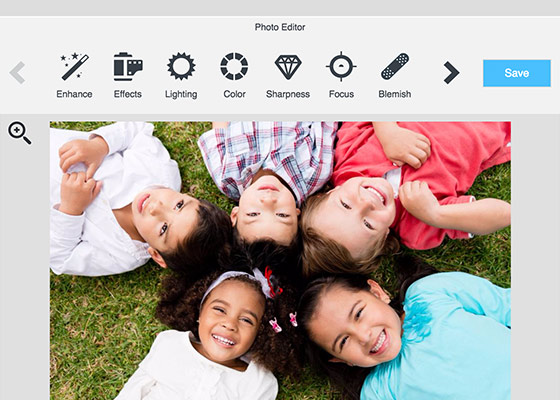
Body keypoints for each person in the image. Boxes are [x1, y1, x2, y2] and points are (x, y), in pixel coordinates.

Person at [301, 121, 511, 276]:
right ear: (383, 238)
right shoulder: (416, 226)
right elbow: (503, 214)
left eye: (345, 204)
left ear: (329, 192)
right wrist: (436, 214)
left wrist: (388, 132)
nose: (366, 203)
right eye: (368, 224)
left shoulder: (346, 164)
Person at [297, 256, 511, 400]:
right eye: (343, 342)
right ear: (343, 361)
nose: (363, 336)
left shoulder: (429, 294)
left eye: (359, 314)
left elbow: (506, 305)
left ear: (377, 292)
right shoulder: (378, 392)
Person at [50, 122, 232, 277]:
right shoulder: (161, 171)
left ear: (156, 255)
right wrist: (100, 146)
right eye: (178, 205)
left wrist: (70, 209)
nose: (156, 208)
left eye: (163, 228)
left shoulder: (122, 255)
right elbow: (138, 130)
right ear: (189, 196)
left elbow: (61, 258)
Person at [115, 267, 303, 399]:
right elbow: (134, 390)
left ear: (259, 333)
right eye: (220, 310)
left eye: (246, 320)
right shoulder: (171, 344)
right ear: (198, 312)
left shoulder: (257, 381)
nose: (229, 324)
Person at [197, 121, 338, 246]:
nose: (268, 200)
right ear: (297, 215)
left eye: (253, 214)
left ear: (235, 215)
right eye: (282, 215)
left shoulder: (225, 177)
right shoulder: (314, 173)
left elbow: (219, 128)